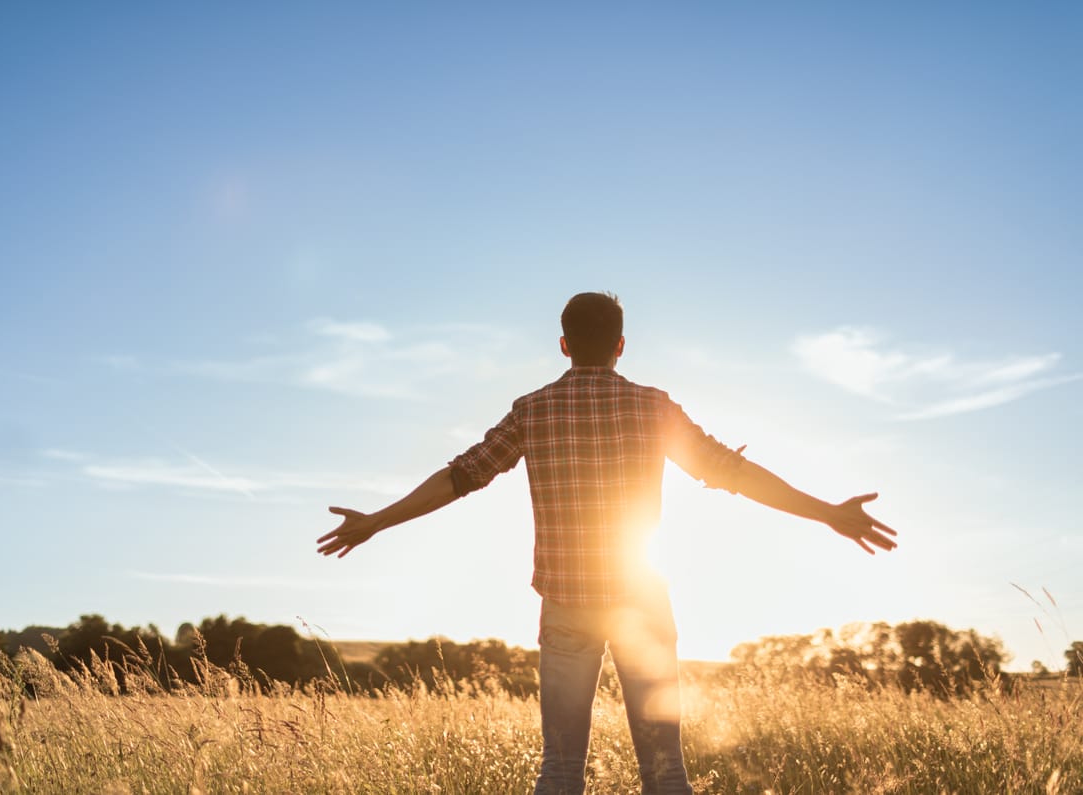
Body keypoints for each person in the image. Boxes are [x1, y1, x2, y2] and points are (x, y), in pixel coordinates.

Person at [317, 292, 897, 795]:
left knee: (561, 772)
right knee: (667, 773)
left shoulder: (532, 409)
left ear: (563, 345)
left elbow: (462, 475)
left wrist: (377, 520)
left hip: (567, 606)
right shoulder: (654, 407)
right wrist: (825, 513)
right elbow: (732, 472)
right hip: (642, 602)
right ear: (622, 346)